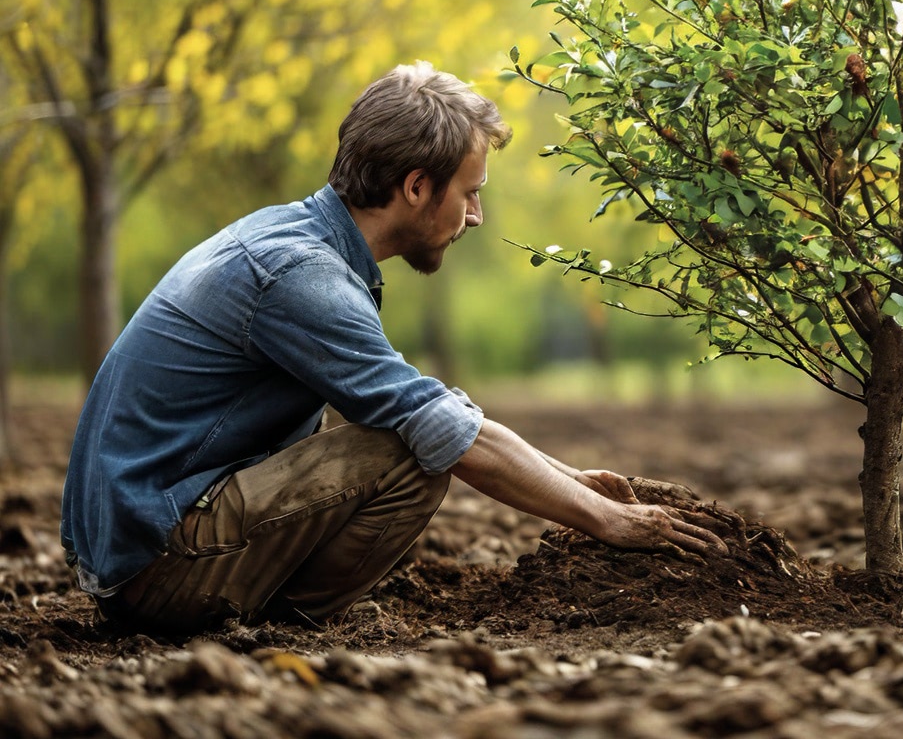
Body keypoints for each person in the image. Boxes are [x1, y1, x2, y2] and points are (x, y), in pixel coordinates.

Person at [60, 62, 725, 634]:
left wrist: (569, 478)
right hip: (155, 568)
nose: (475, 217)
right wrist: (601, 517)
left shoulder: (290, 239)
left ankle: (256, 605)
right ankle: (277, 624)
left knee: (411, 424)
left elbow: (429, 406)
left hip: (135, 552)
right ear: (415, 187)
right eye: (470, 195)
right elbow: (441, 429)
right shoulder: (301, 277)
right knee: (410, 450)